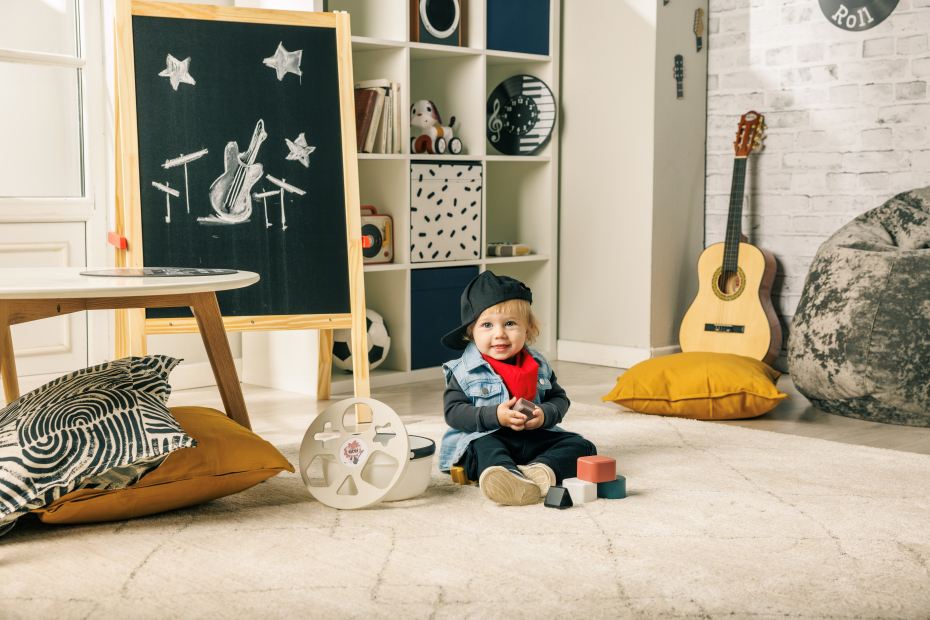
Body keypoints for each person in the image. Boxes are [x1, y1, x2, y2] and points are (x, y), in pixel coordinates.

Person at [438, 270, 597, 506]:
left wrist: (545, 414)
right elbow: (454, 413)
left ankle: (541, 471)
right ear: (471, 332)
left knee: (583, 446)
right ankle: (505, 475)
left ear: (528, 329)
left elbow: (559, 399)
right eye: (487, 325)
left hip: (532, 439)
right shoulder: (464, 371)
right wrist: (495, 416)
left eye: (510, 323)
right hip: (487, 438)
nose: (499, 333)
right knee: (484, 447)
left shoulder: (539, 365)